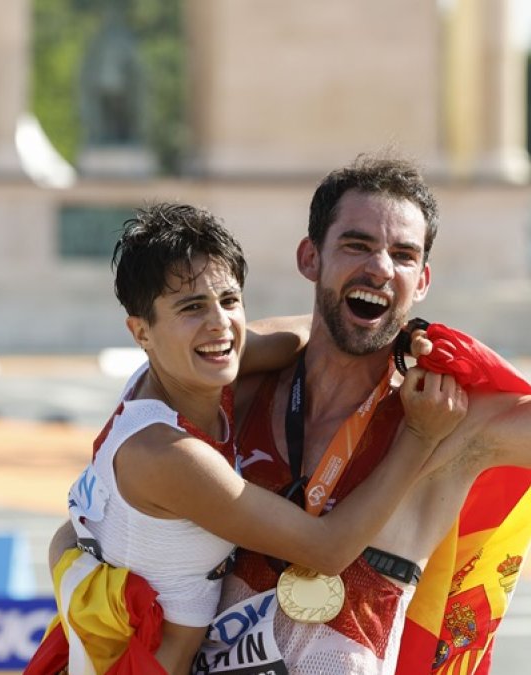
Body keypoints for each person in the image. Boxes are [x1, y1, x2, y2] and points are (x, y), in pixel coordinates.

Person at [45, 141, 531, 674]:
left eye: (403, 255)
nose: (380, 267)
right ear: (310, 258)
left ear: (422, 281)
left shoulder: (451, 419)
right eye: (356, 245)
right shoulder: (235, 389)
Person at [46, 202, 469, 675]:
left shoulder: (187, 374)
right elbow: (326, 549)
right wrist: (418, 434)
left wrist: (398, 331)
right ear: (141, 331)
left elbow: (303, 334)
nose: (218, 325)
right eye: (191, 308)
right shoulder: (169, 454)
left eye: (228, 301)